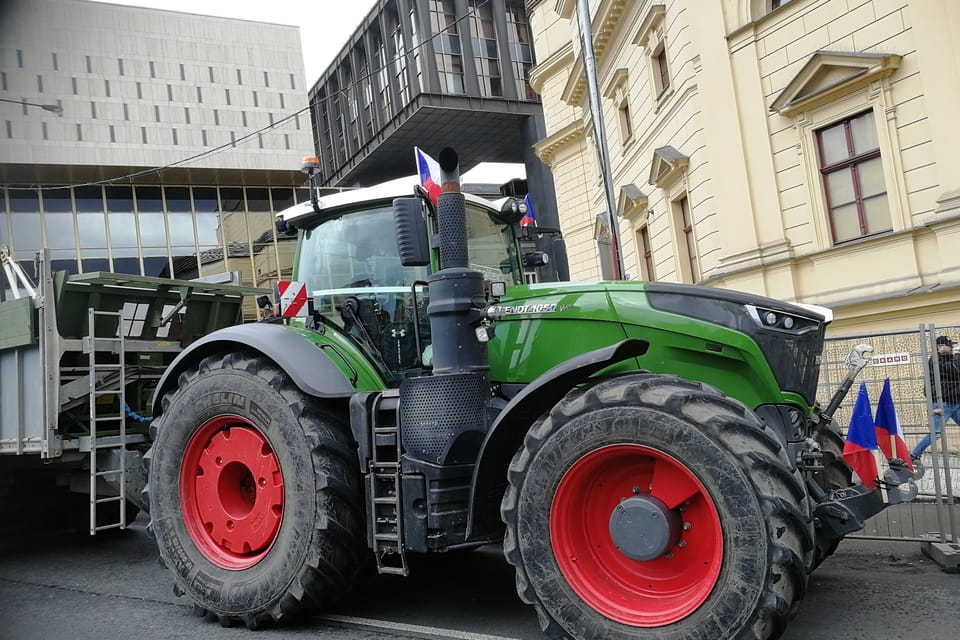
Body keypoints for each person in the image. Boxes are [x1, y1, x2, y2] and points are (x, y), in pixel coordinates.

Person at [911, 335, 960, 464]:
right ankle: (914, 455)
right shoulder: (935, 361)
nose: (952, 347)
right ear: (940, 348)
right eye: (949, 345)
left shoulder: (950, 358)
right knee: (936, 433)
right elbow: (954, 370)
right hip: (942, 403)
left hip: (955, 401)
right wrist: (958, 355)